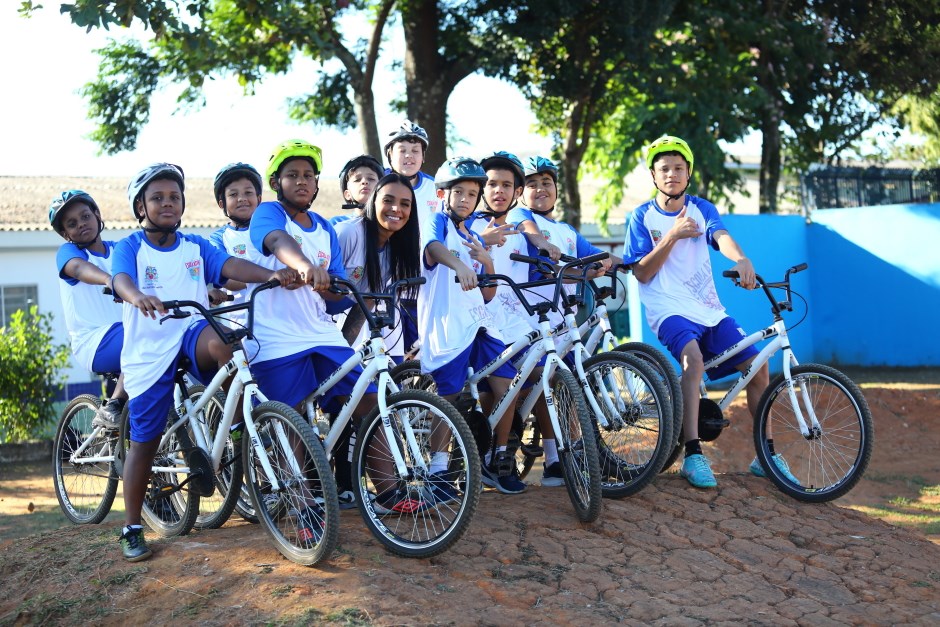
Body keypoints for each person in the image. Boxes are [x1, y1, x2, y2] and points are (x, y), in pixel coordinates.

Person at [112, 163, 297, 562]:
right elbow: (121, 280)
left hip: (190, 332)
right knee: (143, 443)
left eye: (174, 197)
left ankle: (236, 425)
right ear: (140, 206)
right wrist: (136, 296)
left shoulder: (196, 246)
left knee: (225, 342)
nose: (167, 203)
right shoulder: (130, 246)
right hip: (148, 348)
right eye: (157, 197)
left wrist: (272, 275)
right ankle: (130, 527)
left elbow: (229, 268)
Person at [247, 139, 421, 515]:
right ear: (277, 181)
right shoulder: (268, 213)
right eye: (292, 175)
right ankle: (301, 499)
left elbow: (338, 290)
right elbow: (277, 241)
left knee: (368, 398)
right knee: (290, 414)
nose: (302, 181)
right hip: (275, 336)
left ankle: (389, 491)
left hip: (321, 332)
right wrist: (304, 265)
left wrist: (352, 293)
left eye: (309, 175)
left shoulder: (325, 227)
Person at [622, 135, 797, 489]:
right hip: (667, 307)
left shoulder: (702, 208)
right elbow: (641, 272)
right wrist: (671, 235)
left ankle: (766, 453)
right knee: (693, 360)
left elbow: (721, 237)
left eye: (678, 168)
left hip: (708, 309)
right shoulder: (642, 216)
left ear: (688, 174)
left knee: (758, 366)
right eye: (664, 169)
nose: (671, 174)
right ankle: (693, 453)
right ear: (654, 176)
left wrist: (742, 258)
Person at [419, 156, 525, 495]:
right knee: (447, 396)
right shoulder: (437, 222)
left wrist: (487, 262)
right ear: (444, 194)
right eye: (459, 192)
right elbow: (433, 249)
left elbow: (489, 294)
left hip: (481, 324)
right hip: (447, 324)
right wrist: (458, 266)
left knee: (507, 384)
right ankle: (438, 469)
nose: (465, 199)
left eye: (471, 194)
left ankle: (498, 456)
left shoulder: (473, 234)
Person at [468, 151, 564, 487]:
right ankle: (497, 457)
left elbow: (531, 230)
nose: (498, 190)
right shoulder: (470, 222)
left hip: (515, 323)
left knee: (543, 376)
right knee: (503, 385)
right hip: (479, 323)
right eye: (492, 184)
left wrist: (541, 242)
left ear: (516, 190)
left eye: (507, 185)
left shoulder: (521, 224)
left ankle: (549, 456)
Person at [332, 172, 420, 508]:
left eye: (404, 204)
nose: (396, 209)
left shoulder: (399, 245)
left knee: (371, 403)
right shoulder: (348, 233)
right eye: (388, 200)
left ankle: (381, 491)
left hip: (371, 329)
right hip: (329, 324)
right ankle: (340, 485)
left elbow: (380, 299)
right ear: (372, 202)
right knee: (343, 404)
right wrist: (341, 345)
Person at [49, 190, 127, 429]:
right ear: (66, 234)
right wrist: (109, 280)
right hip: (93, 342)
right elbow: (80, 269)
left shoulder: (122, 249)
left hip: (126, 333)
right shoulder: (70, 253)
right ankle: (113, 405)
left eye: (85, 216)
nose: (81, 224)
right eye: (72, 224)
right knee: (144, 335)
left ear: (97, 215)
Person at [207, 162, 264, 321]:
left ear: (258, 199)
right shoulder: (218, 239)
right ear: (221, 203)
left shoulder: (273, 230)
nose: (241, 199)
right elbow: (229, 280)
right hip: (243, 320)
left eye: (248, 192)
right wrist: (272, 275)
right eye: (233, 194)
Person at [331, 154, 384, 226]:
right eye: (357, 180)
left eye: (371, 179)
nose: (364, 182)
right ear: (348, 194)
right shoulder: (336, 224)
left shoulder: (389, 223)